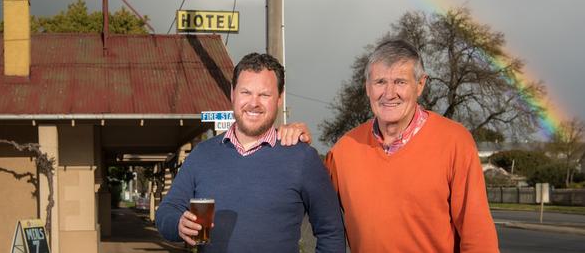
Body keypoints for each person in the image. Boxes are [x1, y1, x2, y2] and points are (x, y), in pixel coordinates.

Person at [155, 52, 345, 253]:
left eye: (264, 94)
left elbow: (331, 232)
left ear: (279, 99)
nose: (254, 103)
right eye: (246, 92)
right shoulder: (202, 155)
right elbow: (167, 212)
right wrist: (178, 224)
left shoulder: (302, 158)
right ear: (232, 94)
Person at [322, 39, 499, 252]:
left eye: (400, 82)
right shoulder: (343, 151)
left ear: (420, 85)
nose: (389, 93)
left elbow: (479, 236)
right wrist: (294, 142)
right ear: (367, 87)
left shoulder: (455, 142)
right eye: (380, 82)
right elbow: (309, 206)